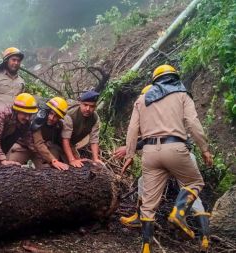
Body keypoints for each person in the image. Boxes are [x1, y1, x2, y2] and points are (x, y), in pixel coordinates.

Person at [124, 65, 213, 253]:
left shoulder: (141, 100)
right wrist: (204, 148)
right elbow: (193, 123)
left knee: (148, 203)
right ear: (174, 78)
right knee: (195, 182)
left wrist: (130, 155)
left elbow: (132, 130)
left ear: (155, 81)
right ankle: (179, 213)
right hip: (175, 148)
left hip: (149, 153)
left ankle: (146, 247)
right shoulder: (182, 95)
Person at [7, 97, 70, 170]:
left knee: (50, 170)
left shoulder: (59, 125)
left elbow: (65, 141)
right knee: (10, 168)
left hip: (41, 152)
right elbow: (38, 142)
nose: (51, 118)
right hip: (23, 147)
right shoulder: (35, 117)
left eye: (56, 116)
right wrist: (54, 160)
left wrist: (73, 159)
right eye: (51, 113)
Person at [61, 90, 104, 168]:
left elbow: (94, 140)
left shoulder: (95, 118)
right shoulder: (70, 115)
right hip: (57, 142)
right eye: (85, 105)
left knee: (79, 165)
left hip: (71, 144)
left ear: (95, 107)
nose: (88, 109)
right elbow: (65, 139)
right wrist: (71, 160)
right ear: (80, 104)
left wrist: (96, 159)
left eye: (91, 106)